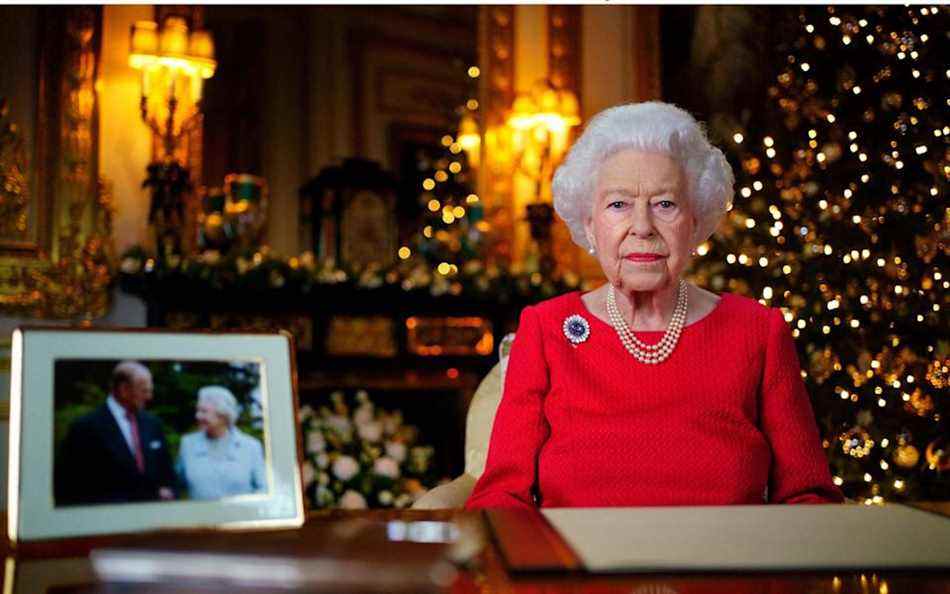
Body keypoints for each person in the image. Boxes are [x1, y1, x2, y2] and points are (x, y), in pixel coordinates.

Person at [466, 102, 844, 509]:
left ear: (696, 222)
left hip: (725, 568)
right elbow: (501, 498)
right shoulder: (546, 329)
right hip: (578, 568)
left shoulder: (756, 330)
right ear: (589, 223)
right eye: (618, 205)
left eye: (665, 204)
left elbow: (809, 497)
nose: (643, 227)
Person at [55, 361, 176, 505]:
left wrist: (169, 492)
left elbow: (168, 473)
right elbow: (67, 487)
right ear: (124, 390)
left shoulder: (153, 424)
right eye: (144, 391)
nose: (149, 397)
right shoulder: (85, 428)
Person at [176, 385, 267, 500]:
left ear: (223, 415)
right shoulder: (188, 444)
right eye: (198, 410)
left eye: (204, 411)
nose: (197, 416)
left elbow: (263, 488)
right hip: (199, 517)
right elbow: (176, 484)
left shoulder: (251, 446)